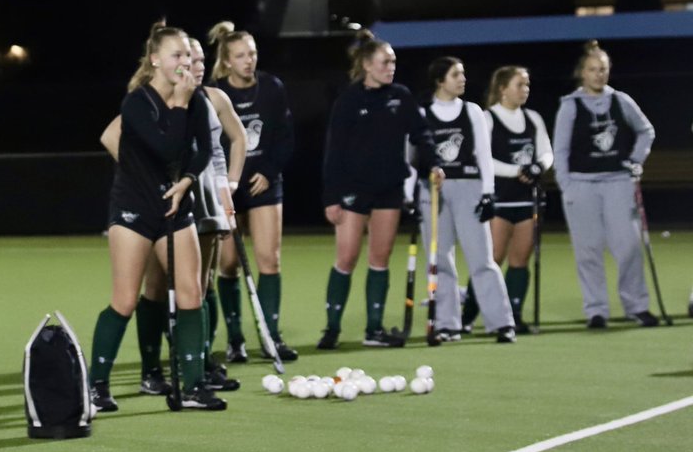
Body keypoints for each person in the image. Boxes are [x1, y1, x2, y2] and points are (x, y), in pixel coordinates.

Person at [87, 22, 224, 411]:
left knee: (191, 293)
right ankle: (96, 385)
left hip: (176, 208)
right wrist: (180, 102)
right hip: (134, 209)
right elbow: (166, 147)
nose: (185, 62)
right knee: (125, 300)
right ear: (155, 60)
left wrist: (188, 180)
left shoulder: (195, 99)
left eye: (188, 55)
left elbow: (200, 148)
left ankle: (194, 385)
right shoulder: (137, 103)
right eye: (177, 55)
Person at [318, 29, 441, 349]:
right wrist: (331, 197)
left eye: (394, 62)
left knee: (380, 257)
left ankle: (374, 330)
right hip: (353, 191)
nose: (391, 67)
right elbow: (334, 152)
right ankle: (332, 328)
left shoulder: (400, 96)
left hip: (388, 189)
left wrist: (436, 163)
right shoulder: (349, 100)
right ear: (367, 66)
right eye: (385, 62)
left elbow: (421, 134)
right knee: (346, 257)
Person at [206, 21, 298, 363]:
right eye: (241, 56)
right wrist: (224, 181)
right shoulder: (215, 92)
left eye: (253, 54)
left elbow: (285, 137)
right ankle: (235, 341)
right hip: (228, 188)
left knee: (268, 260)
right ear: (227, 61)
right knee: (228, 264)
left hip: (264, 183)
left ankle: (271, 336)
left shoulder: (272, 88)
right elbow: (212, 144)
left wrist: (268, 170)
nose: (249, 61)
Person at [553, 40, 658, 328]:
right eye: (593, 69)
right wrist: (567, 185)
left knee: (628, 247)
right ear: (582, 73)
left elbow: (646, 131)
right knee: (588, 251)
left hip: (618, 183)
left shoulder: (620, 100)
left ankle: (636, 306)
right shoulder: (570, 105)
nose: (599, 74)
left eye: (603, 69)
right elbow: (559, 150)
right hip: (582, 185)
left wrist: (635, 161)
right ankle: (596, 310)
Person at [412, 57, 516, 343]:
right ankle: (447, 324)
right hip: (433, 191)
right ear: (439, 80)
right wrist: (410, 194)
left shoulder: (472, 112)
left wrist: (488, 193)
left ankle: (501, 322)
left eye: (463, 74)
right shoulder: (421, 112)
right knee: (440, 260)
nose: (462, 79)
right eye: (455, 74)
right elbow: (410, 157)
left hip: (469, 188)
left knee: (482, 259)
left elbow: (483, 155)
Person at [460, 65, 554, 333]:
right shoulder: (488, 119)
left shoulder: (533, 118)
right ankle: (467, 317)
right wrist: (517, 171)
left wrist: (538, 167)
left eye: (527, 85)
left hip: (527, 199)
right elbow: (480, 157)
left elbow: (546, 151)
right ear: (503, 89)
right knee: (491, 259)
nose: (525, 90)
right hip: (499, 199)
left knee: (519, 260)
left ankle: (513, 315)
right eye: (519, 85)